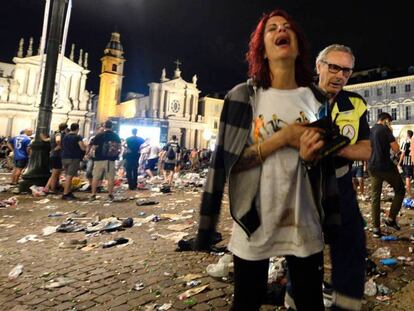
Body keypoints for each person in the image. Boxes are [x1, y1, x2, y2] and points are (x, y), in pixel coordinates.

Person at [194, 9, 332, 310]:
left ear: (296, 45)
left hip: (304, 220)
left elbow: (322, 165)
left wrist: (310, 158)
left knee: (310, 302)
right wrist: (282, 138)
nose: (281, 30)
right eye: (271, 28)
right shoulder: (243, 97)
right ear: (262, 48)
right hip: (254, 219)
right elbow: (228, 165)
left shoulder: (317, 99)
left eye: (287, 27)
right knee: (247, 301)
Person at [308, 44, 371, 311]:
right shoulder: (298, 98)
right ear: (318, 66)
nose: (340, 75)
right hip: (305, 183)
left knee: (351, 243)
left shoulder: (355, 103)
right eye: (333, 67)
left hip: (341, 181)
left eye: (346, 70)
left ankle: (345, 306)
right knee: (305, 249)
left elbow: (366, 150)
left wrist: (337, 148)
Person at [368, 112, 405, 237]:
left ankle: (375, 229)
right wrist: (391, 132)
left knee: (375, 197)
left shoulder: (371, 130)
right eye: (390, 122)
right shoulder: (385, 130)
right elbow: (396, 148)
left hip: (372, 167)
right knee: (400, 189)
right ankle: (391, 219)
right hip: (385, 166)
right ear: (385, 120)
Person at [90, 120, 121, 201]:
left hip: (99, 159)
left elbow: (93, 147)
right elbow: (119, 148)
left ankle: (93, 194)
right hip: (111, 160)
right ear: (112, 126)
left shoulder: (99, 135)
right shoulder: (116, 136)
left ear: (104, 126)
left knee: (95, 177)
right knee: (110, 178)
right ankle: (110, 194)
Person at [61, 123, 86, 200]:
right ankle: (65, 194)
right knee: (69, 176)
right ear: (77, 129)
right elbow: (82, 148)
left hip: (64, 157)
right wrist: (85, 147)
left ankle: (68, 192)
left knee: (67, 175)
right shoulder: (78, 137)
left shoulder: (65, 136)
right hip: (73, 158)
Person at [43, 123, 68, 194]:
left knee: (56, 173)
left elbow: (47, 140)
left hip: (54, 155)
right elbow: (58, 140)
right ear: (65, 128)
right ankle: (51, 188)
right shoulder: (58, 133)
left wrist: (43, 138)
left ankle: (50, 187)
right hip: (57, 155)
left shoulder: (53, 133)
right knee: (55, 173)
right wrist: (59, 145)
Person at [398, 129, 413, 198]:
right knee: (410, 176)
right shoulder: (413, 142)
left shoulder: (405, 142)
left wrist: (399, 162)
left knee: (407, 177)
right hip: (412, 161)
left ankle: (409, 194)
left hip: (407, 161)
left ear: (407, 135)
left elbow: (403, 153)